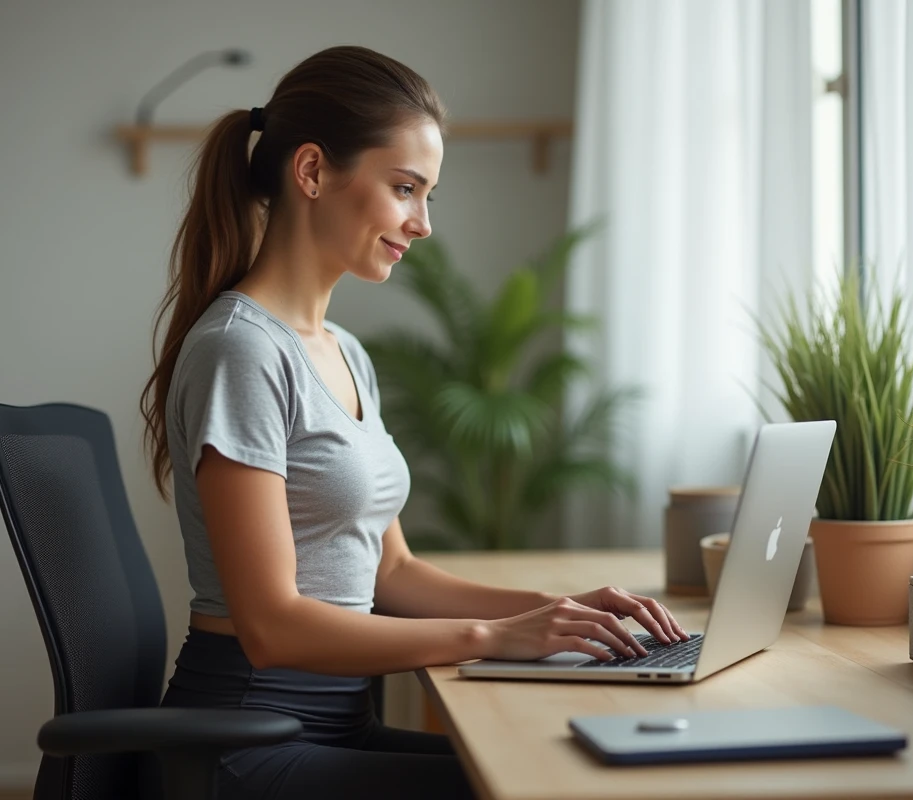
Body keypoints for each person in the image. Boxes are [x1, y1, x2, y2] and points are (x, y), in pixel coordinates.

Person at [139, 45, 688, 800]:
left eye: (427, 195)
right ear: (311, 172)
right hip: (245, 744)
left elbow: (392, 575)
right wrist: (494, 638)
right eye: (404, 188)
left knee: (559, 772)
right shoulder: (242, 352)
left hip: (332, 726)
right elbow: (271, 627)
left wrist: (560, 614)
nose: (422, 223)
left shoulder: (344, 353)